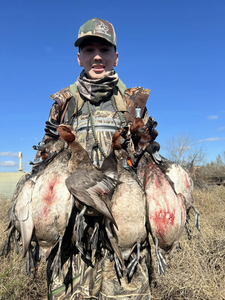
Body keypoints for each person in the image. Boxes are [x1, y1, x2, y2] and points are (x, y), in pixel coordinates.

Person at [38, 18, 152, 300]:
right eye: (89, 50)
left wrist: (145, 147)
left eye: (104, 48)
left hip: (123, 227)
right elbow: (45, 160)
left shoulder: (133, 104)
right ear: (79, 58)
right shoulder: (64, 104)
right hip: (71, 235)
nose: (97, 56)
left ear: (116, 56)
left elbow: (147, 164)